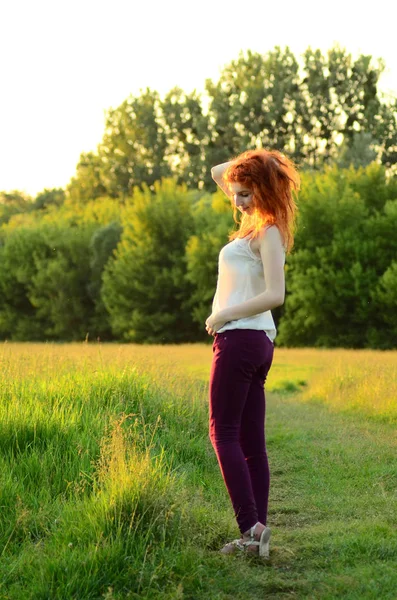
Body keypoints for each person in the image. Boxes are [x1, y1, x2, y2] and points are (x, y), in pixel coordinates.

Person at [205, 148, 300, 559]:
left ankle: (249, 527)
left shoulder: (269, 232)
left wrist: (224, 313)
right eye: (237, 194)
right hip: (256, 343)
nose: (237, 201)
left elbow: (274, 295)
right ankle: (255, 535)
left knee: (221, 432)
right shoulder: (254, 226)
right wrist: (261, 165)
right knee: (249, 442)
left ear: (262, 190)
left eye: (246, 194)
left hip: (241, 339)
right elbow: (218, 171)